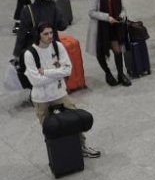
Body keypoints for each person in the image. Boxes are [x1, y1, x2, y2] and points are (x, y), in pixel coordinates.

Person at [25, 23, 100, 158]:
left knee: (74, 121)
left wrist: (46, 72)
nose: (50, 36)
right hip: (41, 99)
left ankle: (82, 147)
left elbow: (68, 70)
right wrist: (57, 74)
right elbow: (35, 81)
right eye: (45, 34)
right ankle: (57, 154)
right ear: (38, 35)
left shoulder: (57, 46)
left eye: (51, 33)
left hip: (59, 94)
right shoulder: (30, 54)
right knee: (49, 129)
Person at [86, 0, 131, 86]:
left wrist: (122, 15)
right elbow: (91, 12)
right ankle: (108, 73)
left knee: (118, 51)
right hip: (101, 30)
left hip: (114, 28)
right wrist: (107, 17)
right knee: (100, 53)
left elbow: (123, 9)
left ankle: (121, 74)